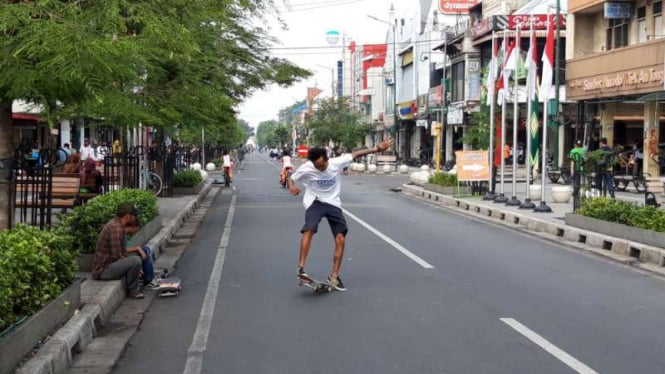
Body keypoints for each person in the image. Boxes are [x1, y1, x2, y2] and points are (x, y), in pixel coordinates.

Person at [287, 136, 395, 291]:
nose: (320, 169)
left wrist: (378, 149)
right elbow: (292, 178)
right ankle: (301, 267)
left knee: (340, 238)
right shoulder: (307, 167)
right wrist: (292, 187)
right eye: (317, 167)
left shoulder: (337, 162)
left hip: (333, 204)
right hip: (315, 202)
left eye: (322, 165)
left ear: (327, 159)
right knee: (309, 229)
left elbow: (357, 154)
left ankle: (334, 276)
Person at [92, 203, 148, 299]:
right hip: (103, 270)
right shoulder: (116, 229)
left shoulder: (117, 225)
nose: (135, 218)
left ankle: (138, 282)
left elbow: (122, 252)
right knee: (135, 260)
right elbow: (117, 256)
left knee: (136, 256)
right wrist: (133, 266)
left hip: (109, 265)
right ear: (127, 216)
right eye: (134, 215)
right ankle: (133, 290)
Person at [123, 215, 159, 290]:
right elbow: (122, 250)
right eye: (136, 229)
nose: (136, 231)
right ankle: (148, 281)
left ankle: (149, 278)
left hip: (126, 254)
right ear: (132, 227)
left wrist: (138, 249)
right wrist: (138, 249)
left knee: (146, 249)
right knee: (144, 251)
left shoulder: (126, 235)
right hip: (121, 258)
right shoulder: (121, 234)